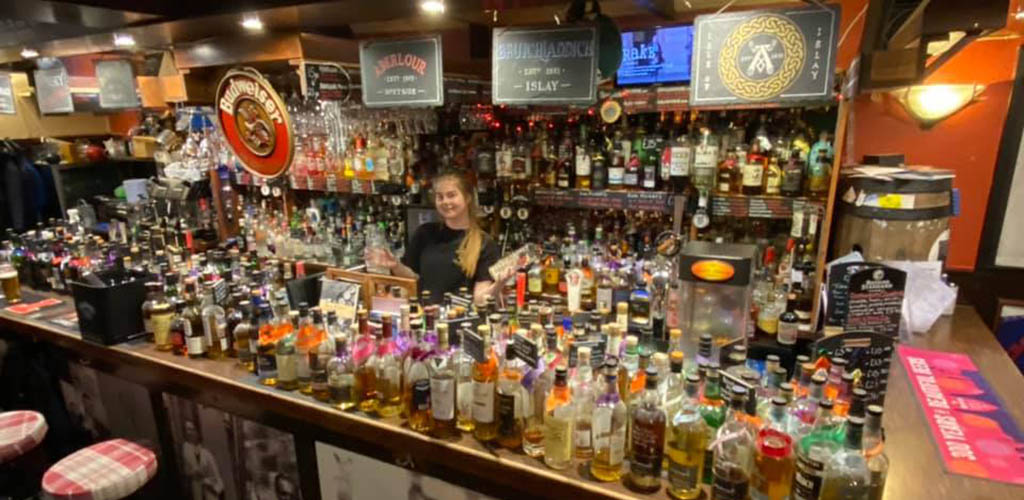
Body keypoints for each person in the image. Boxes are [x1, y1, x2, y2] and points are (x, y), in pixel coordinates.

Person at [368, 170, 504, 306]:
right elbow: (413, 279)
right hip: (424, 315)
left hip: (459, 317)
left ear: (467, 198)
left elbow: (480, 299)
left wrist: (498, 284)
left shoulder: (484, 244)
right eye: (440, 197)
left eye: (451, 195)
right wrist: (395, 266)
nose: (445, 202)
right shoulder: (425, 233)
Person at [182, 419, 225, 500]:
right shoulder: (185, 451)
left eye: (191, 429)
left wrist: (211, 485)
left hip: (210, 492)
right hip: (197, 493)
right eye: (187, 430)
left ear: (197, 432)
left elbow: (216, 476)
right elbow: (188, 471)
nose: (189, 432)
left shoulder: (206, 454)